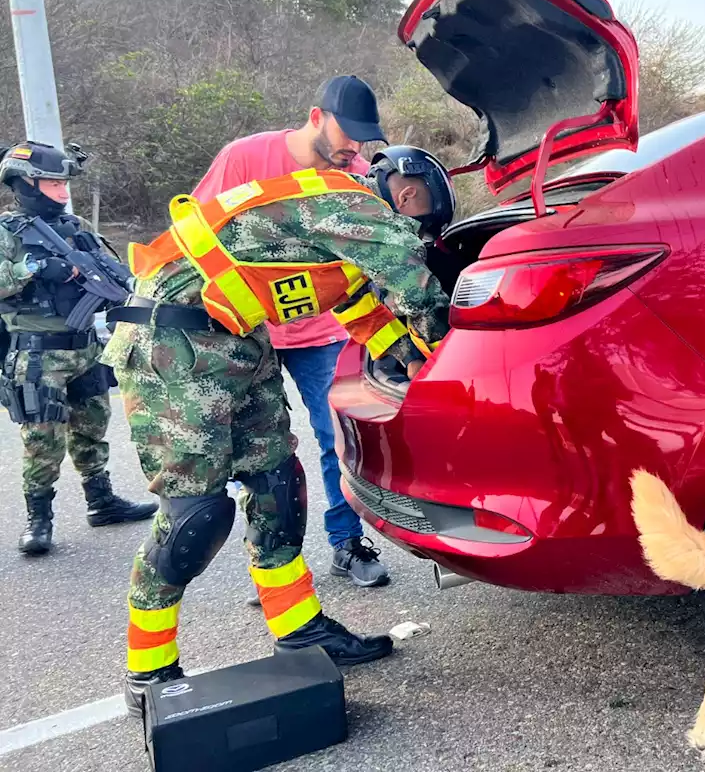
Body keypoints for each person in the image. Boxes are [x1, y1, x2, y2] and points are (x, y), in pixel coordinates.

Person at [104, 145, 455, 715]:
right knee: (194, 515)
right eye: (416, 224)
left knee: (276, 485)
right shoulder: (358, 208)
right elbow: (415, 288)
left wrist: (416, 363)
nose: (412, 230)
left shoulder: (333, 235)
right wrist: (453, 356)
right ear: (410, 195)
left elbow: (362, 309)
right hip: (173, 343)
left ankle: (298, 627)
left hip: (240, 342)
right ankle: (148, 668)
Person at [193, 75, 392, 592]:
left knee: (337, 441)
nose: (354, 148)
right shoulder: (243, 158)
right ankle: (272, 569)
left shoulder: (358, 174)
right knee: (256, 454)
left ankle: (347, 545)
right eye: (347, 134)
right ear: (315, 117)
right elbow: (198, 234)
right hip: (247, 331)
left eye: (364, 139)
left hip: (323, 330)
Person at [0, 141, 156, 556]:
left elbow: (114, 277)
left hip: (85, 347)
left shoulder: (78, 226)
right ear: (26, 184)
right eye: (53, 183)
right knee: (42, 440)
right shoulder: (6, 233)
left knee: (92, 429)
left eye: (63, 182)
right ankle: (38, 520)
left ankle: (101, 502)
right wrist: (30, 268)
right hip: (37, 355)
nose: (63, 191)